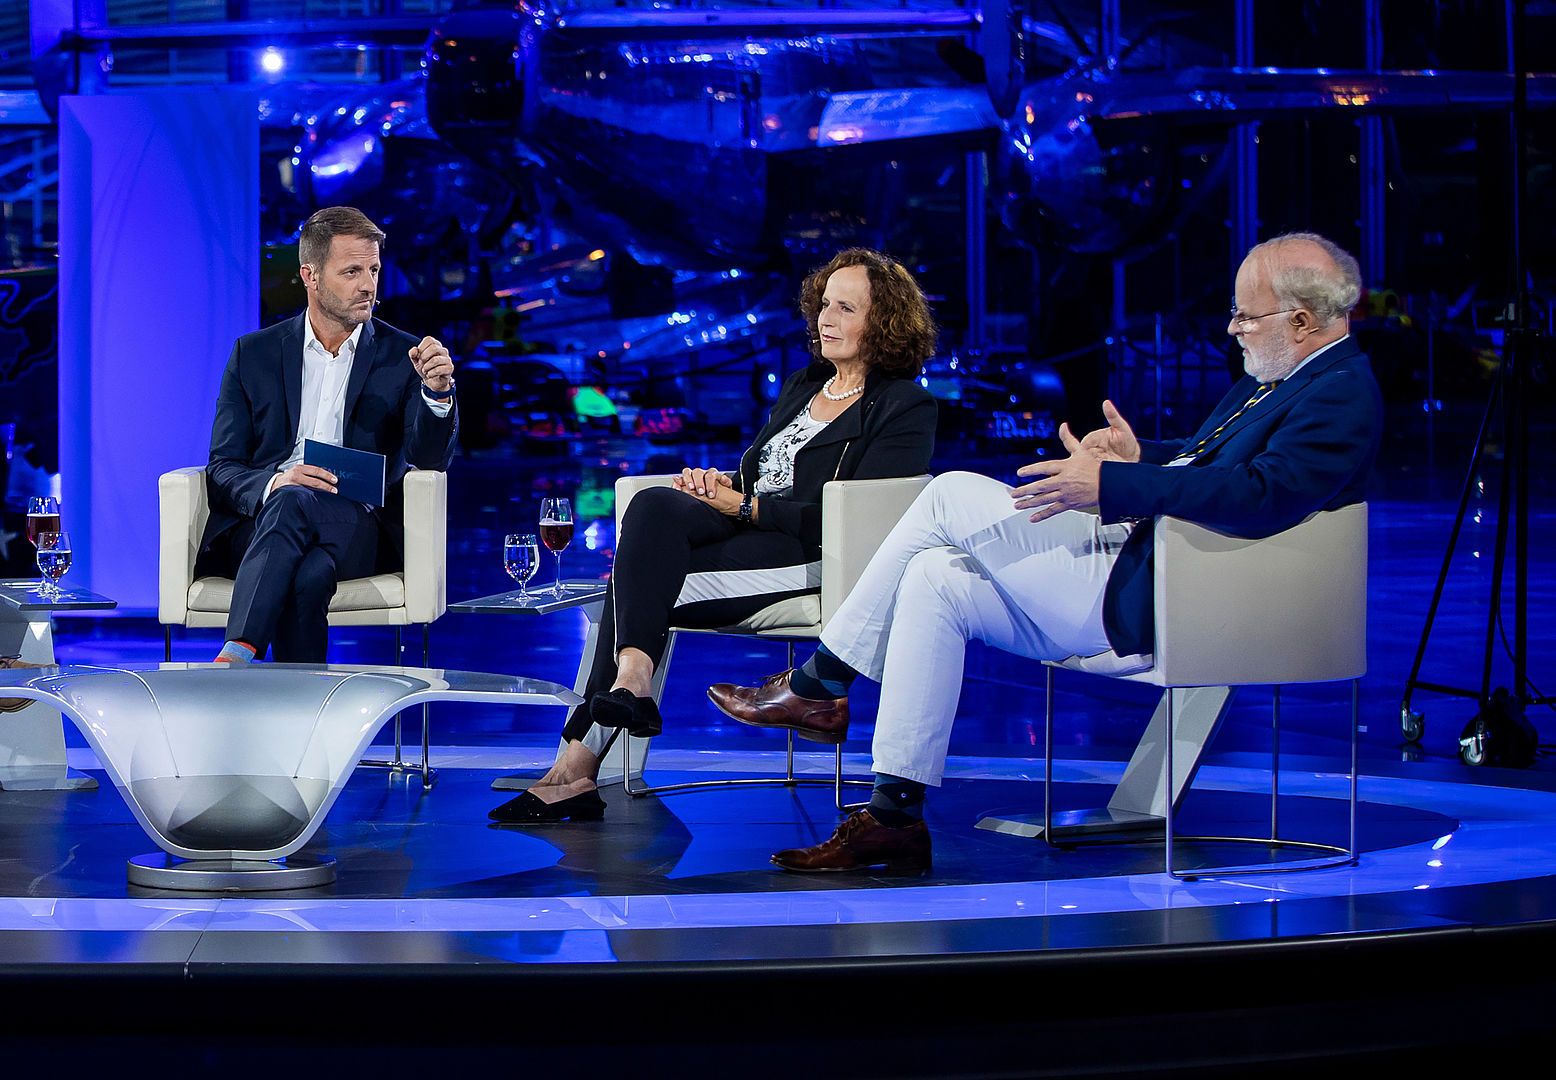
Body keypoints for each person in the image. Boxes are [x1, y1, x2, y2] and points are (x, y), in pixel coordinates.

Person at [710, 232, 1383, 873]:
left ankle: (820, 682)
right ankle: (894, 816)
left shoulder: (1340, 393)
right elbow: (1209, 465)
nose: (1232, 327)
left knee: (947, 496)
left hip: (1178, 597)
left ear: (1300, 322)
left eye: (1245, 314)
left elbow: (1263, 494)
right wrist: (1139, 455)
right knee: (933, 575)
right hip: (1143, 565)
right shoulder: (1282, 377)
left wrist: (1115, 484)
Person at [491, 248, 939, 823]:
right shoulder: (807, 385)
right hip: (749, 520)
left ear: (885, 322)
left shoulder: (904, 406)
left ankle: (577, 764)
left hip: (812, 553)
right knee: (654, 505)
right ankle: (629, 686)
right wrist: (718, 485)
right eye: (824, 305)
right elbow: (765, 471)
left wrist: (747, 504)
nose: (826, 319)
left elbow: (860, 519)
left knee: (630, 591)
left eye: (846, 308)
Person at [197, 206, 458, 664]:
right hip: (263, 526)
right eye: (352, 271)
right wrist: (278, 481)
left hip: (356, 525)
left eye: (374, 269)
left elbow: (429, 458)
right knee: (308, 570)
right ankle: (305, 715)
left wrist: (437, 395)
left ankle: (237, 650)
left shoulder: (404, 354)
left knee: (296, 502)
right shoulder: (253, 354)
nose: (369, 285)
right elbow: (222, 468)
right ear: (310, 276)